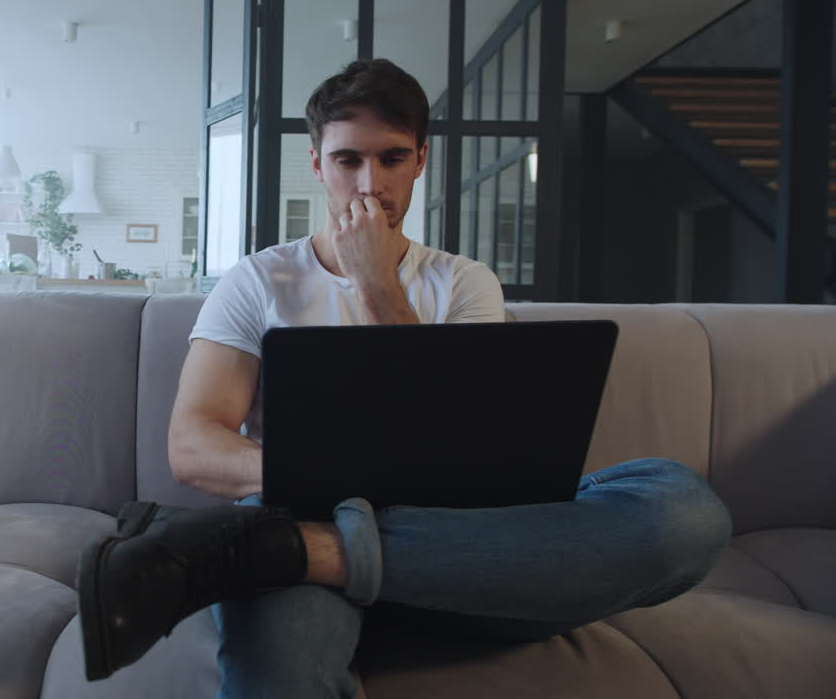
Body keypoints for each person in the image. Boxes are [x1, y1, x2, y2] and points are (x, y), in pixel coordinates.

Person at [76, 58, 731, 697]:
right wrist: (323, 482)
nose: (371, 184)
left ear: (420, 160)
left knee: (683, 510)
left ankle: (301, 550)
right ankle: (311, 550)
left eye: (392, 158)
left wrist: (375, 282)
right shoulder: (257, 281)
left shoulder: (464, 283)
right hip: (314, 533)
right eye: (348, 160)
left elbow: (460, 440)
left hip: (469, 550)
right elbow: (193, 445)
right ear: (317, 164)